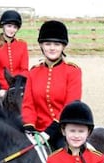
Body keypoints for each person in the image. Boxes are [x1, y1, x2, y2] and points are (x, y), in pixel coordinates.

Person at [22, 20, 82, 150]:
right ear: (41, 46)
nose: (52, 48)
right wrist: (30, 127)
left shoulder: (73, 71)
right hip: (37, 132)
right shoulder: (33, 72)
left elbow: (70, 106)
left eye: (57, 44)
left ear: (63, 46)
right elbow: (28, 104)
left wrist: (49, 132)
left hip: (64, 131)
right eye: (47, 44)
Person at [0, 10, 29, 99]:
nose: (12, 30)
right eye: (9, 26)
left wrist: (19, 86)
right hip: (1, 90)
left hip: (19, 89)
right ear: (3, 26)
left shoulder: (22, 45)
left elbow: (25, 70)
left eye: (14, 27)